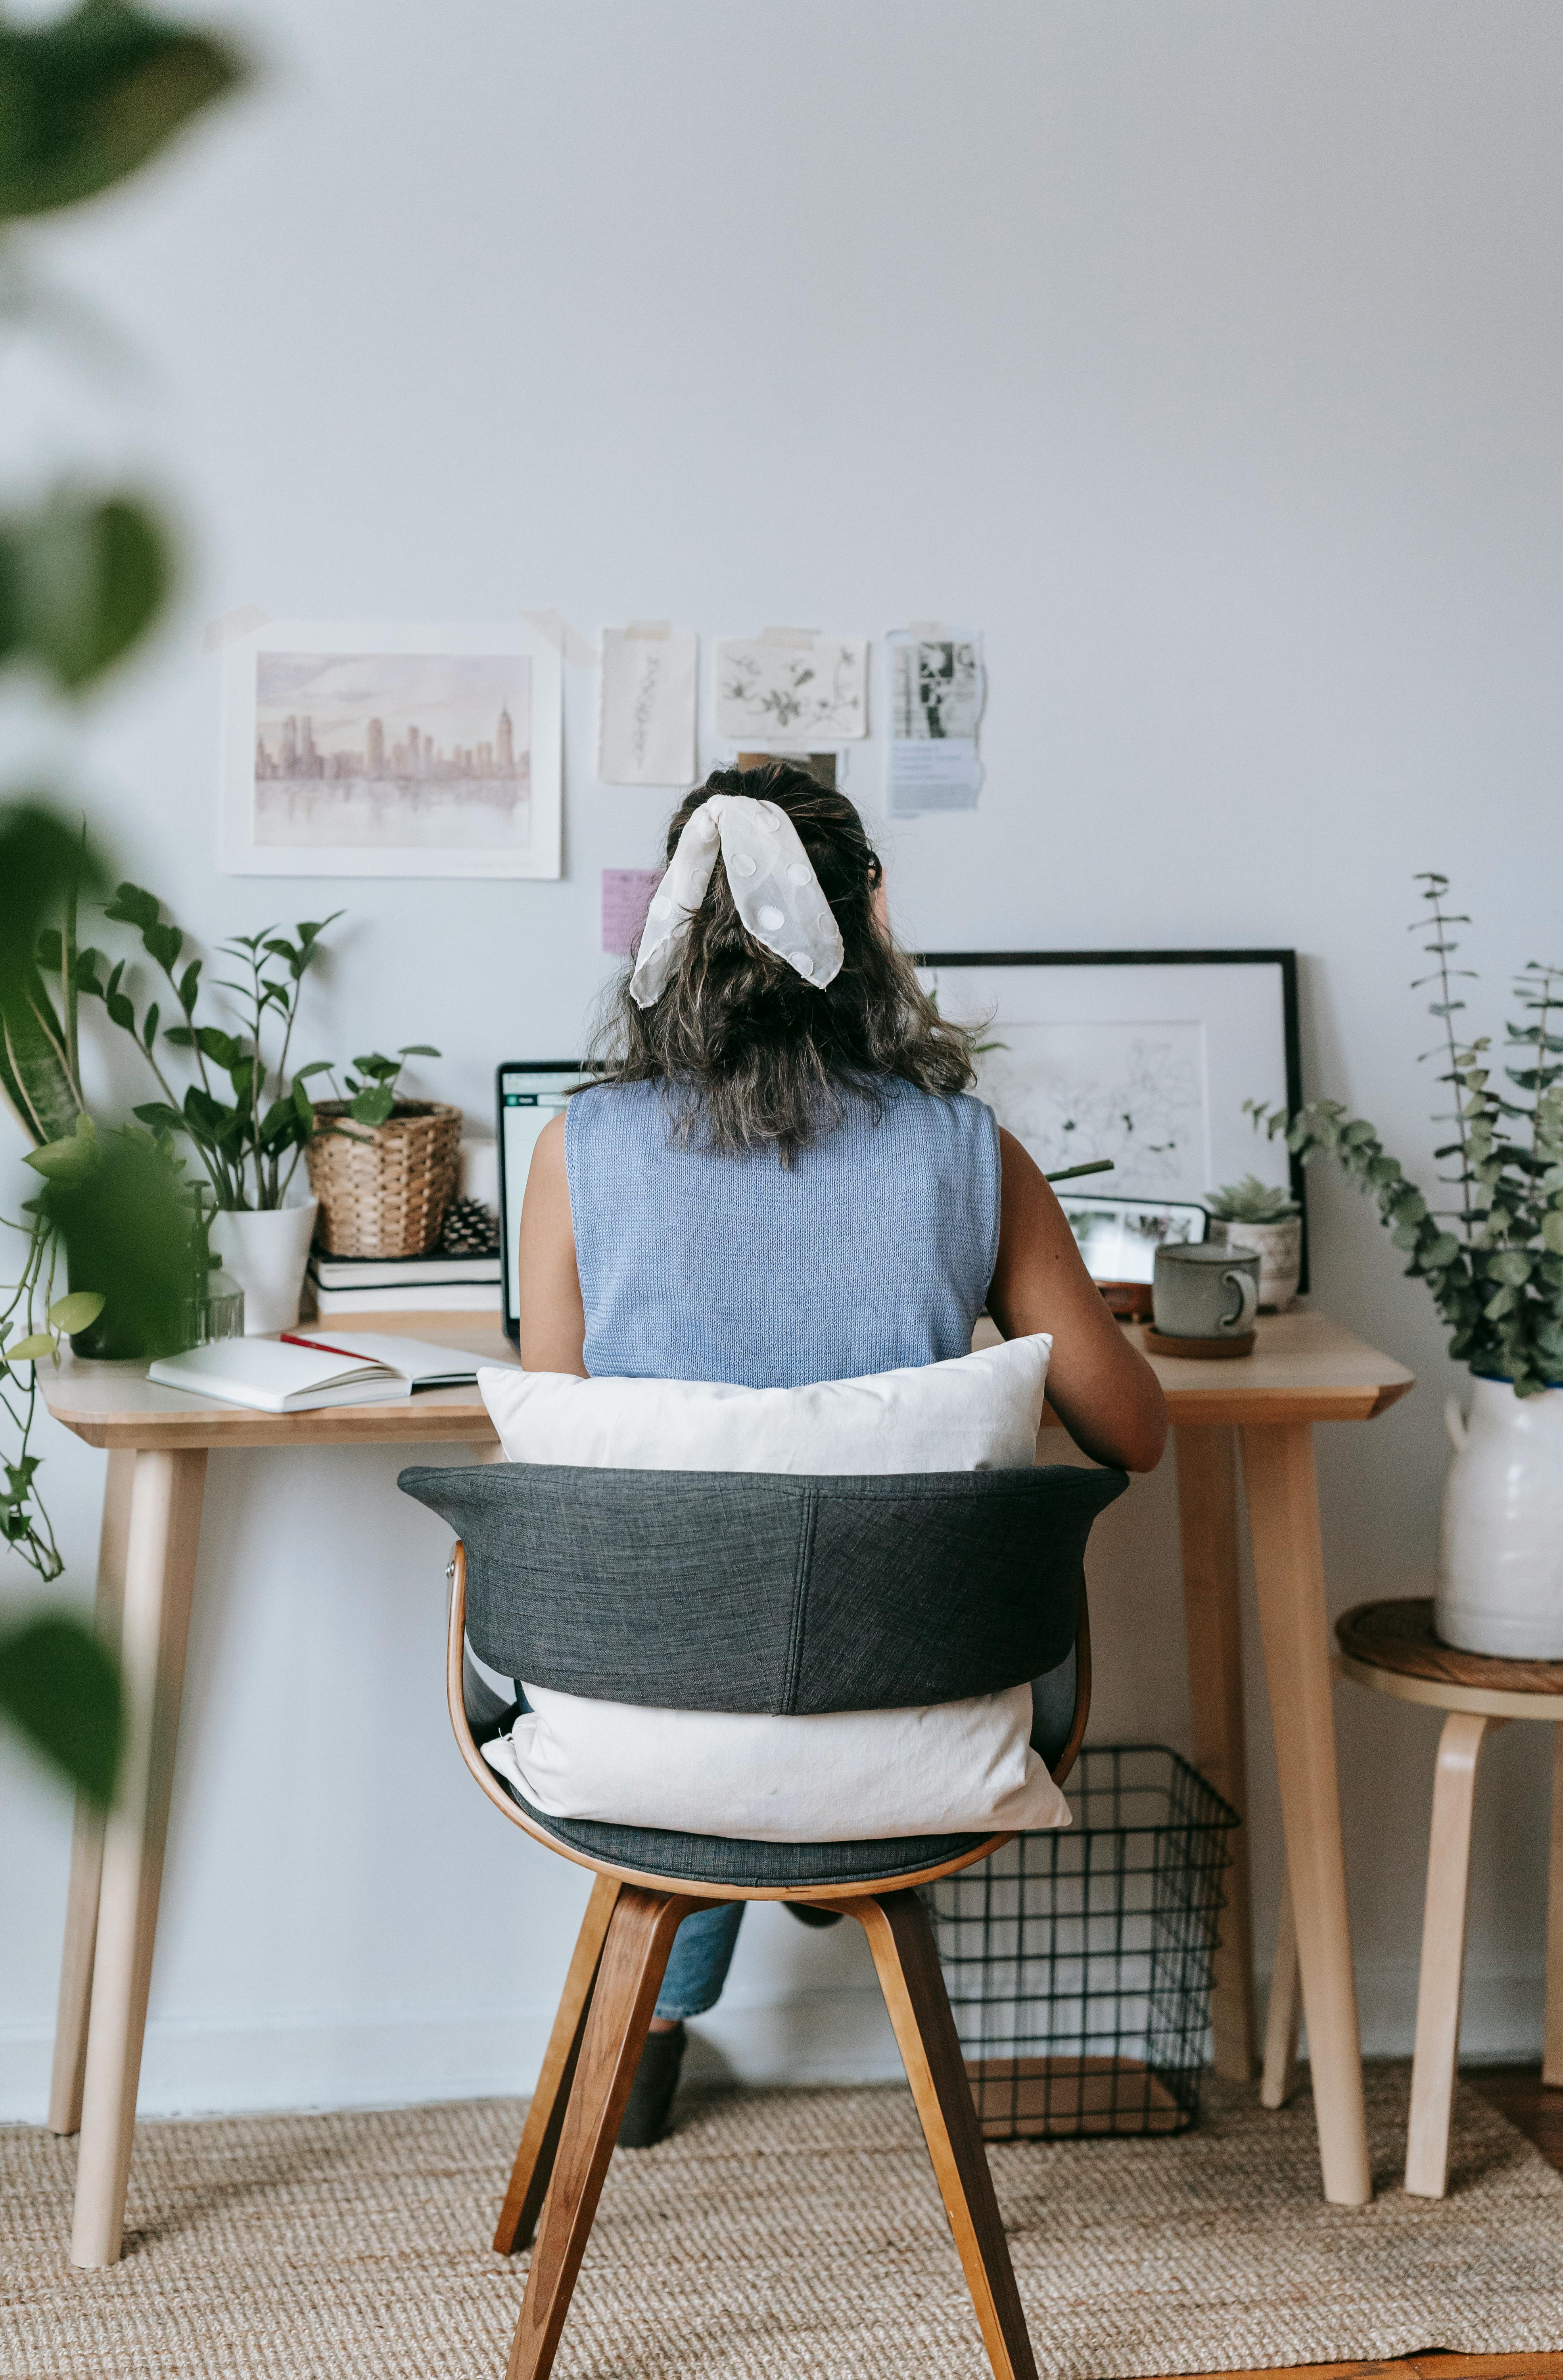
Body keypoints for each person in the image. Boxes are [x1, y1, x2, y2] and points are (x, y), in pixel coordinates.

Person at [516, 763, 1167, 2143]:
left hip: (647, 1701)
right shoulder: (968, 1151)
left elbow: (564, 1448)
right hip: (915, 1679)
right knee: (842, 1649)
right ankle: (837, 1855)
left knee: (706, 1648)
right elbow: (1136, 1433)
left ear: (679, 932)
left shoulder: (580, 1151)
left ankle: (649, 2026)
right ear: (869, 916)